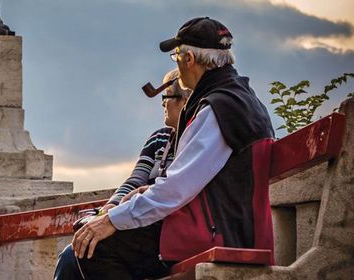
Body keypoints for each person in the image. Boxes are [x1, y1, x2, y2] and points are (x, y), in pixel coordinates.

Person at [56, 17, 275, 280]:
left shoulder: (217, 108)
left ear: (190, 59)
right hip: (227, 225)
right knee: (98, 243)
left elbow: (177, 189)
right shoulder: (237, 97)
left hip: (221, 233)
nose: (177, 63)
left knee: (94, 248)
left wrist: (111, 219)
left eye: (176, 56)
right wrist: (138, 198)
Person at [53, 69, 191, 280]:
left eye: (166, 96)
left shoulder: (195, 142)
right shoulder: (160, 139)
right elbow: (135, 180)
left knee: (90, 251)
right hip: (136, 224)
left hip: (164, 233)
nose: (162, 103)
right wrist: (110, 207)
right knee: (72, 254)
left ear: (185, 100)